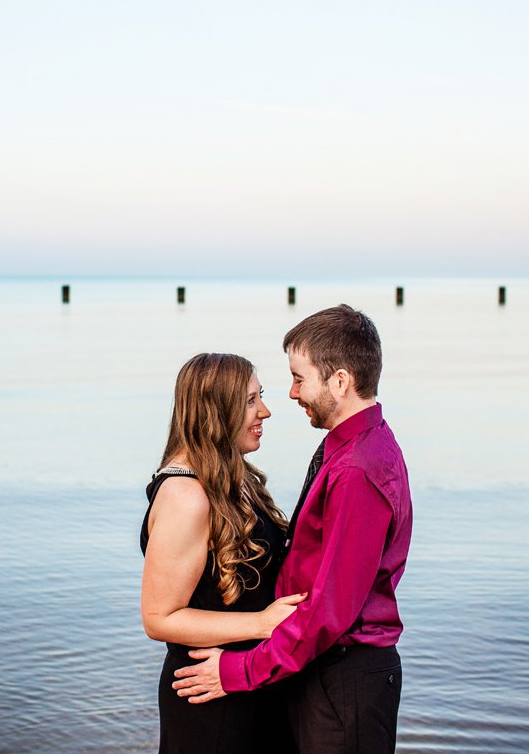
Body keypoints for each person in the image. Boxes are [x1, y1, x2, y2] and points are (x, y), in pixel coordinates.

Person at [171, 305, 413, 754]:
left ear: (339, 382)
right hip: (315, 668)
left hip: (342, 678)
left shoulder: (359, 469)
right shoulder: (349, 448)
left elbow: (331, 611)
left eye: (300, 378)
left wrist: (238, 671)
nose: (291, 393)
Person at [140, 352, 304, 754]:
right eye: (250, 401)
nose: (265, 411)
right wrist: (263, 624)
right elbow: (159, 618)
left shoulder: (228, 476)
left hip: (244, 684)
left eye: (259, 396)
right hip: (211, 702)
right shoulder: (186, 496)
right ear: (217, 410)